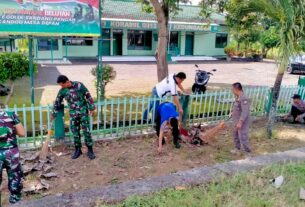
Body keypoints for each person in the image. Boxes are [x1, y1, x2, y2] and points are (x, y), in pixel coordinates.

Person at [53, 75, 96, 160]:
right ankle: (78, 150)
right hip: (73, 115)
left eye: (62, 84)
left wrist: (92, 107)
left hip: (83, 113)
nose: (61, 87)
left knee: (86, 132)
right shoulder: (62, 91)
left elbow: (88, 95)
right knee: (75, 133)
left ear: (67, 82)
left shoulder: (79, 85)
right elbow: (57, 102)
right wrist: (54, 112)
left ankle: (90, 150)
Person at [0, 105, 25, 204]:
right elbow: (22, 133)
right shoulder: (11, 115)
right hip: (11, 152)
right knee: (15, 177)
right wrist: (11, 129)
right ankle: (15, 200)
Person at [230, 82, 251, 156]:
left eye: (232, 89)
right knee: (235, 135)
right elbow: (238, 108)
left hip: (242, 121)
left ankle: (247, 152)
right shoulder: (237, 97)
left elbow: (245, 112)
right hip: (236, 120)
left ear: (236, 89)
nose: (232, 90)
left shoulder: (244, 98)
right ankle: (237, 149)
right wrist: (233, 113)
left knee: (242, 136)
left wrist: (240, 122)